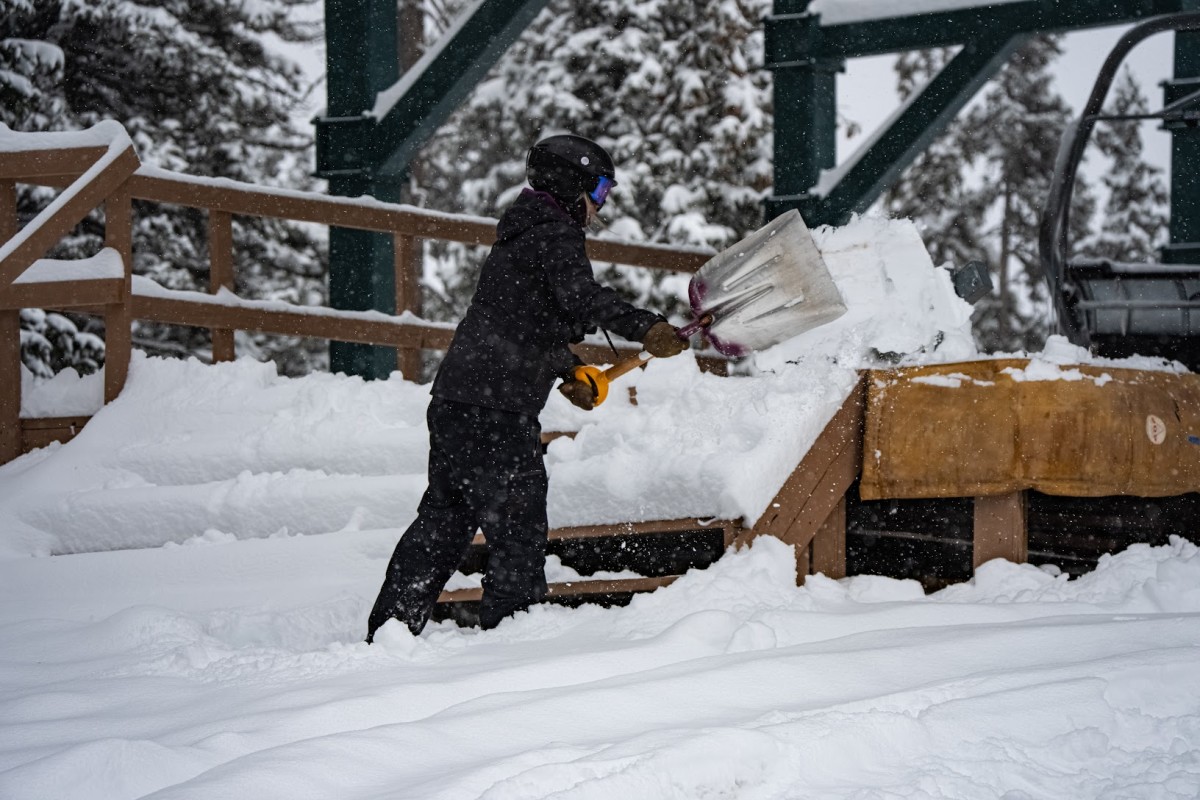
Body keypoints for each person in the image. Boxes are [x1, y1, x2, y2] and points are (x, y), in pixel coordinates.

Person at [366, 134, 689, 640]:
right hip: (497, 412)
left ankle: (390, 630)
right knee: (517, 529)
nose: (600, 203)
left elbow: (523, 318)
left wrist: (564, 369)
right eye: (599, 189)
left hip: (458, 401)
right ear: (570, 183)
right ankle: (513, 641)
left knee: (444, 523)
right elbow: (581, 298)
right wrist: (646, 326)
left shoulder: (522, 231)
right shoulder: (554, 233)